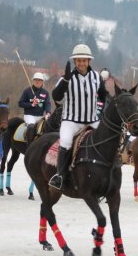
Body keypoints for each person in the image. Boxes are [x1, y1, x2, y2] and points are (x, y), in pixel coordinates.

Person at [49, 44, 107, 190]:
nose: (82, 63)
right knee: (66, 141)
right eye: (78, 60)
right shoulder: (66, 78)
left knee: (107, 138)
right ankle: (60, 176)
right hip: (71, 120)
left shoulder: (96, 77)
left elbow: (102, 95)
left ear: (89, 61)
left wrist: (104, 106)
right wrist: (66, 81)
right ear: (74, 61)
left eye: (84, 60)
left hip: (92, 119)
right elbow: (56, 97)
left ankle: (108, 173)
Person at [18, 72, 52, 145]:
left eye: (39, 80)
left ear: (42, 81)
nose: (37, 81)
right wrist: (31, 104)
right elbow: (20, 103)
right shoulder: (27, 91)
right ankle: (30, 145)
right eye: (36, 80)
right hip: (29, 115)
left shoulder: (45, 93)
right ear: (33, 80)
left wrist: (48, 112)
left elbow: (47, 104)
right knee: (32, 127)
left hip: (40, 116)